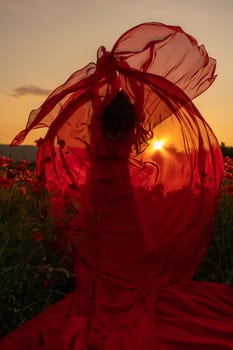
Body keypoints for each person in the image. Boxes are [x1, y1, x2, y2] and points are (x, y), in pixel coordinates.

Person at [1, 22, 233, 349]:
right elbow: (136, 97)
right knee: (128, 237)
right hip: (123, 186)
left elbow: (75, 110)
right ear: (132, 114)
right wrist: (127, 80)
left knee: (101, 240)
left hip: (100, 186)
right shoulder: (134, 119)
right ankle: (123, 275)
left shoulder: (97, 115)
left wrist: (108, 77)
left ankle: (105, 277)